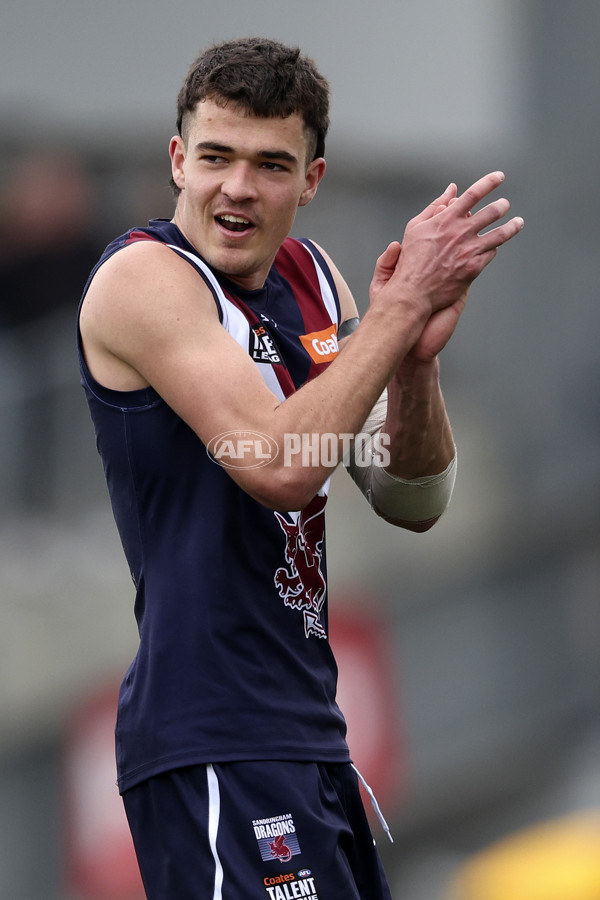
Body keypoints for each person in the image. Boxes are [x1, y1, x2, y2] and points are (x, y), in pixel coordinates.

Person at [77, 37, 523, 900]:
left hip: (309, 733)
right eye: (215, 157)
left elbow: (412, 495)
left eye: (270, 165)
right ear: (178, 160)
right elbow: (277, 464)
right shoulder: (146, 278)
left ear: (310, 181)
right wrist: (396, 309)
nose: (237, 188)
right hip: (212, 735)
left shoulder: (315, 282)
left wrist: (413, 361)